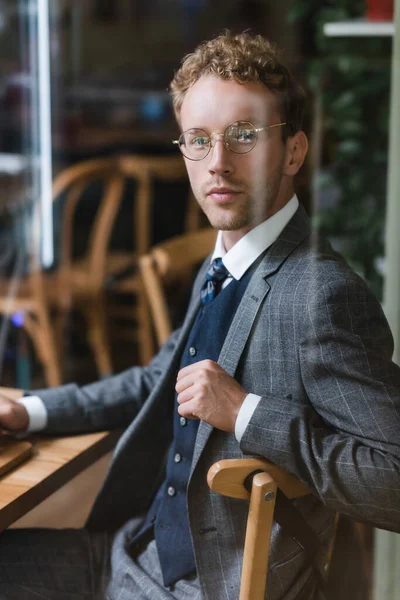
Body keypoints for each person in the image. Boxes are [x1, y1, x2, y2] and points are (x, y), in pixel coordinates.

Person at [1, 30, 400, 600]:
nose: (218, 163)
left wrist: (244, 412)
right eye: (198, 139)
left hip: (207, 586)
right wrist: (30, 410)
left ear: (293, 151)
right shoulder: (224, 258)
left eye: (243, 136)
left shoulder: (323, 295)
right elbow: (157, 382)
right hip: (131, 554)